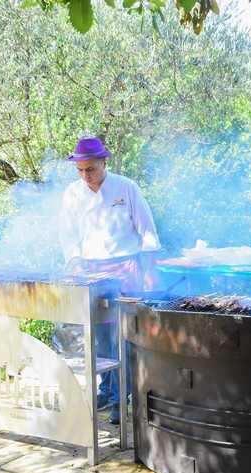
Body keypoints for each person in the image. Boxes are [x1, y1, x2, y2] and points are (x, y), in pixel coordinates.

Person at [58, 137, 161, 424]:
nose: (85, 176)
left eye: (90, 169)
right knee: (99, 336)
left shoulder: (126, 187)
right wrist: (75, 263)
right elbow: (67, 235)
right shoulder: (72, 194)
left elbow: (148, 231)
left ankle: (121, 398)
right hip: (91, 271)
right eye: (80, 171)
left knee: (122, 337)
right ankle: (106, 390)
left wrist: (151, 270)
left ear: (105, 163)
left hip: (126, 268)